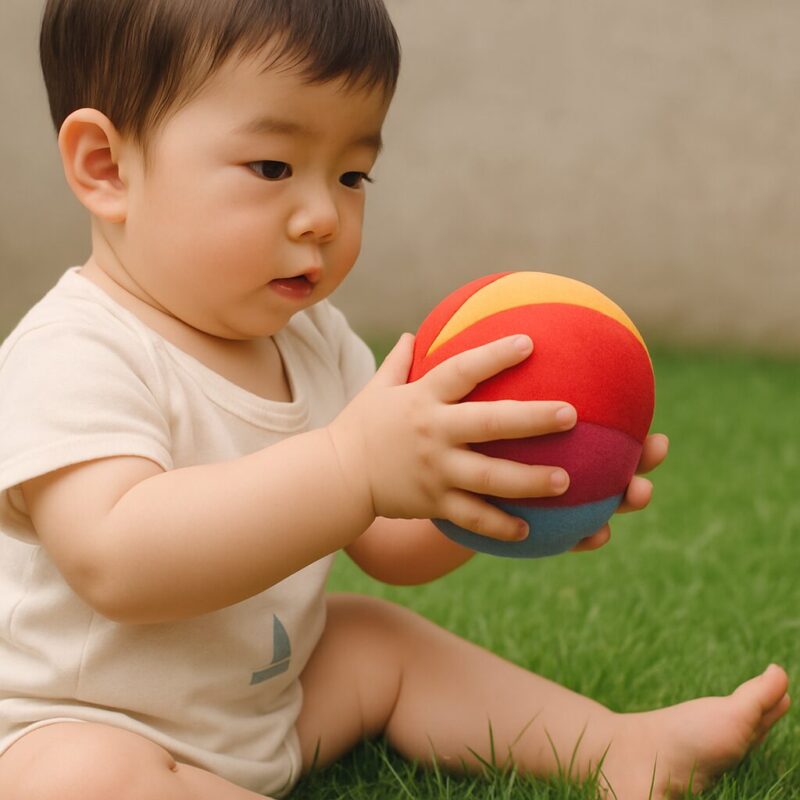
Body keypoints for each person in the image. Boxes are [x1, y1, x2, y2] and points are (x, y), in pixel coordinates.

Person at [0, 1, 789, 798]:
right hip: (68, 725)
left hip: (258, 710)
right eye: (272, 167)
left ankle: (617, 746)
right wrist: (351, 465)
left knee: (370, 639)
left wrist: (491, 478)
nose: (323, 216)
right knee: (80, 778)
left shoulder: (314, 342)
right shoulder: (75, 351)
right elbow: (118, 562)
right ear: (106, 166)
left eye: (351, 175)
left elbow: (389, 542)